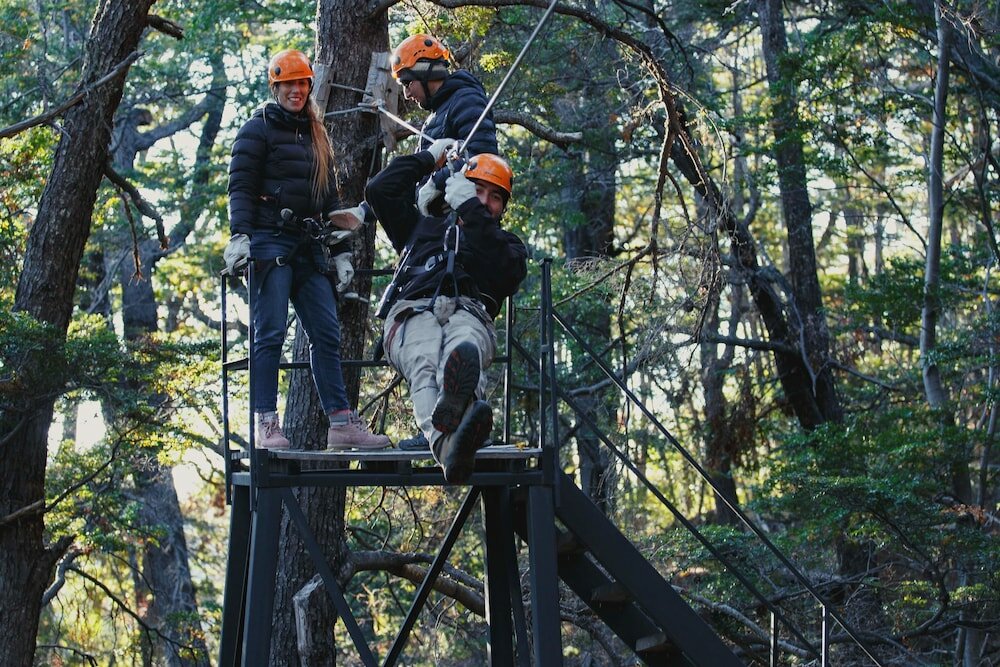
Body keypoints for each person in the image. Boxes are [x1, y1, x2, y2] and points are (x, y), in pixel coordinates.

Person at [223, 48, 391, 451]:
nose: (296, 91)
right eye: (288, 85)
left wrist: (339, 253)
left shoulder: (317, 133)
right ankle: (266, 425)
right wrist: (239, 237)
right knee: (270, 334)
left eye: (302, 84)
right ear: (275, 86)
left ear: (309, 86)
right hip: (268, 241)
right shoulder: (256, 130)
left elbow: (329, 198)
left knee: (326, 333)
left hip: (308, 244)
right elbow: (241, 187)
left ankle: (341, 423)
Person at [365, 140, 527, 483]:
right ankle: (452, 441)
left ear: (502, 207)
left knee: (463, 347)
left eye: (494, 197)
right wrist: (429, 158)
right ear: (460, 186)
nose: (485, 201)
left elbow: (509, 274)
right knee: (424, 359)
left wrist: (471, 209)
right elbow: (380, 190)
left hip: (470, 312)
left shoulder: (504, 245)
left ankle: (449, 442)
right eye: (478, 190)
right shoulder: (420, 227)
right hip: (412, 312)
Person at [390, 33, 502, 449]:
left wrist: (439, 184)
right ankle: (439, 429)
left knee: (460, 333)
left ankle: (458, 424)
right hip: (440, 232)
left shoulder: (467, 100)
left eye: (407, 82)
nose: (406, 92)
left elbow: (484, 157)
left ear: (423, 71)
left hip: (463, 228)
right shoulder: (435, 118)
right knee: (426, 343)